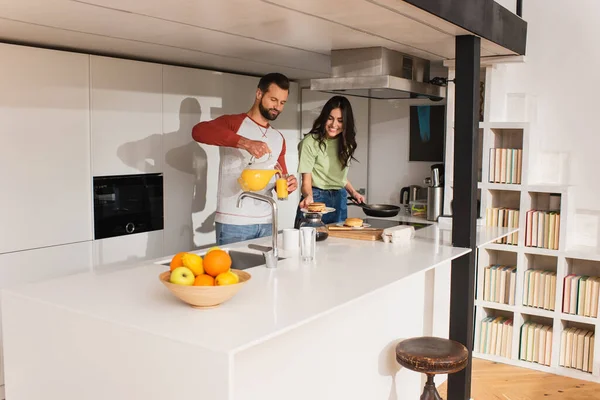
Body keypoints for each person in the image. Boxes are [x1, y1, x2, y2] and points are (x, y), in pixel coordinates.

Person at [192, 73, 298, 245]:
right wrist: (244, 142)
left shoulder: (278, 138)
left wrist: (289, 184)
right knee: (233, 273)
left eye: (282, 102)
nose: (277, 107)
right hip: (234, 223)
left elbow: (280, 180)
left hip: (267, 223)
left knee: (267, 272)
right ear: (259, 94)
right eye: (273, 99)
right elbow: (198, 131)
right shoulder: (233, 123)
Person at [295, 95, 365, 227]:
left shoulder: (346, 143)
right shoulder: (310, 142)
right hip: (316, 197)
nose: (334, 125)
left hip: (340, 197)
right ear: (324, 117)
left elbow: (339, 177)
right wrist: (308, 197)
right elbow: (306, 181)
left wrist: (353, 192)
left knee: (337, 244)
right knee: (309, 241)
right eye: (330, 118)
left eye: (340, 120)